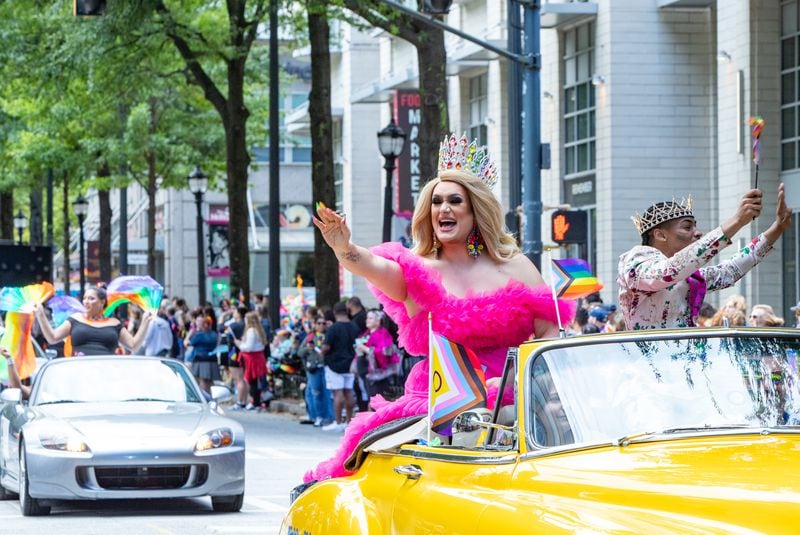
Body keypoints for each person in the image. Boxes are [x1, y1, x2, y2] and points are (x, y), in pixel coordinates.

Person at [306, 134, 571, 481]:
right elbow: (371, 264)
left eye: (454, 200)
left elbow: (549, 331)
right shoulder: (419, 270)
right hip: (440, 402)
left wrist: (528, 381)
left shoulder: (516, 265)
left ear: (475, 211)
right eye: (436, 201)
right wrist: (345, 248)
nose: (443, 209)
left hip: (517, 398)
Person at [618, 185, 792, 330]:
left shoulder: (691, 276)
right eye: (687, 227)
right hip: (644, 366)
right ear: (661, 236)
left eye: (696, 226)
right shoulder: (635, 261)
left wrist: (777, 228)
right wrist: (737, 221)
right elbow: (668, 272)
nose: (698, 233)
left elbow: (729, 272)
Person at [34, 285, 153, 356]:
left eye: (91, 298)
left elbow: (133, 346)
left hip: (106, 373)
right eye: (85, 298)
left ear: (102, 302)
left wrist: (145, 321)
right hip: (80, 372)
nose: (86, 301)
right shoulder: (75, 319)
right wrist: (40, 314)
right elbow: (52, 337)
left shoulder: (114, 323)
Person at [320, 302, 359, 432]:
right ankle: (349, 422)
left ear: (335, 313)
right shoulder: (354, 327)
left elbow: (326, 347)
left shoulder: (333, 328)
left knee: (338, 393)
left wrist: (321, 352)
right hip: (350, 364)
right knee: (349, 392)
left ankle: (337, 422)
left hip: (334, 364)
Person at [298, 314, 334, 427]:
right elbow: (300, 352)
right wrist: (308, 349)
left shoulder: (329, 335)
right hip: (313, 368)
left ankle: (329, 417)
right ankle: (318, 416)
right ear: (314, 324)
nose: (321, 325)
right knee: (316, 392)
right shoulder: (310, 337)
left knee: (328, 393)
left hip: (326, 367)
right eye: (319, 323)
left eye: (324, 323)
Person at [355, 309, 400, 398]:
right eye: (367, 318)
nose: (367, 320)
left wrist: (367, 350)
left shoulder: (383, 334)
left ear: (378, 320)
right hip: (366, 373)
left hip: (379, 375)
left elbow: (386, 352)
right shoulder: (366, 334)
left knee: (376, 400)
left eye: (370, 318)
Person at [232, 312, 269, 410]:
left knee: (252, 381)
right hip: (257, 357)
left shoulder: (251, 331)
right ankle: (256, 401)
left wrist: (239, 344)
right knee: (255, 380)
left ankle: (256, 402)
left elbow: (249, 347)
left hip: (252, 358)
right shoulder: (258, 330)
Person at [184, 315, 219, 393]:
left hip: (201, 360)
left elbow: (187, 344)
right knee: (210, 381)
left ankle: (205, 398)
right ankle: (211, 397)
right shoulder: (214, 334)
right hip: (212, 360)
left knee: (202, 381)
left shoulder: (199, 335)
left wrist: (189, 334)